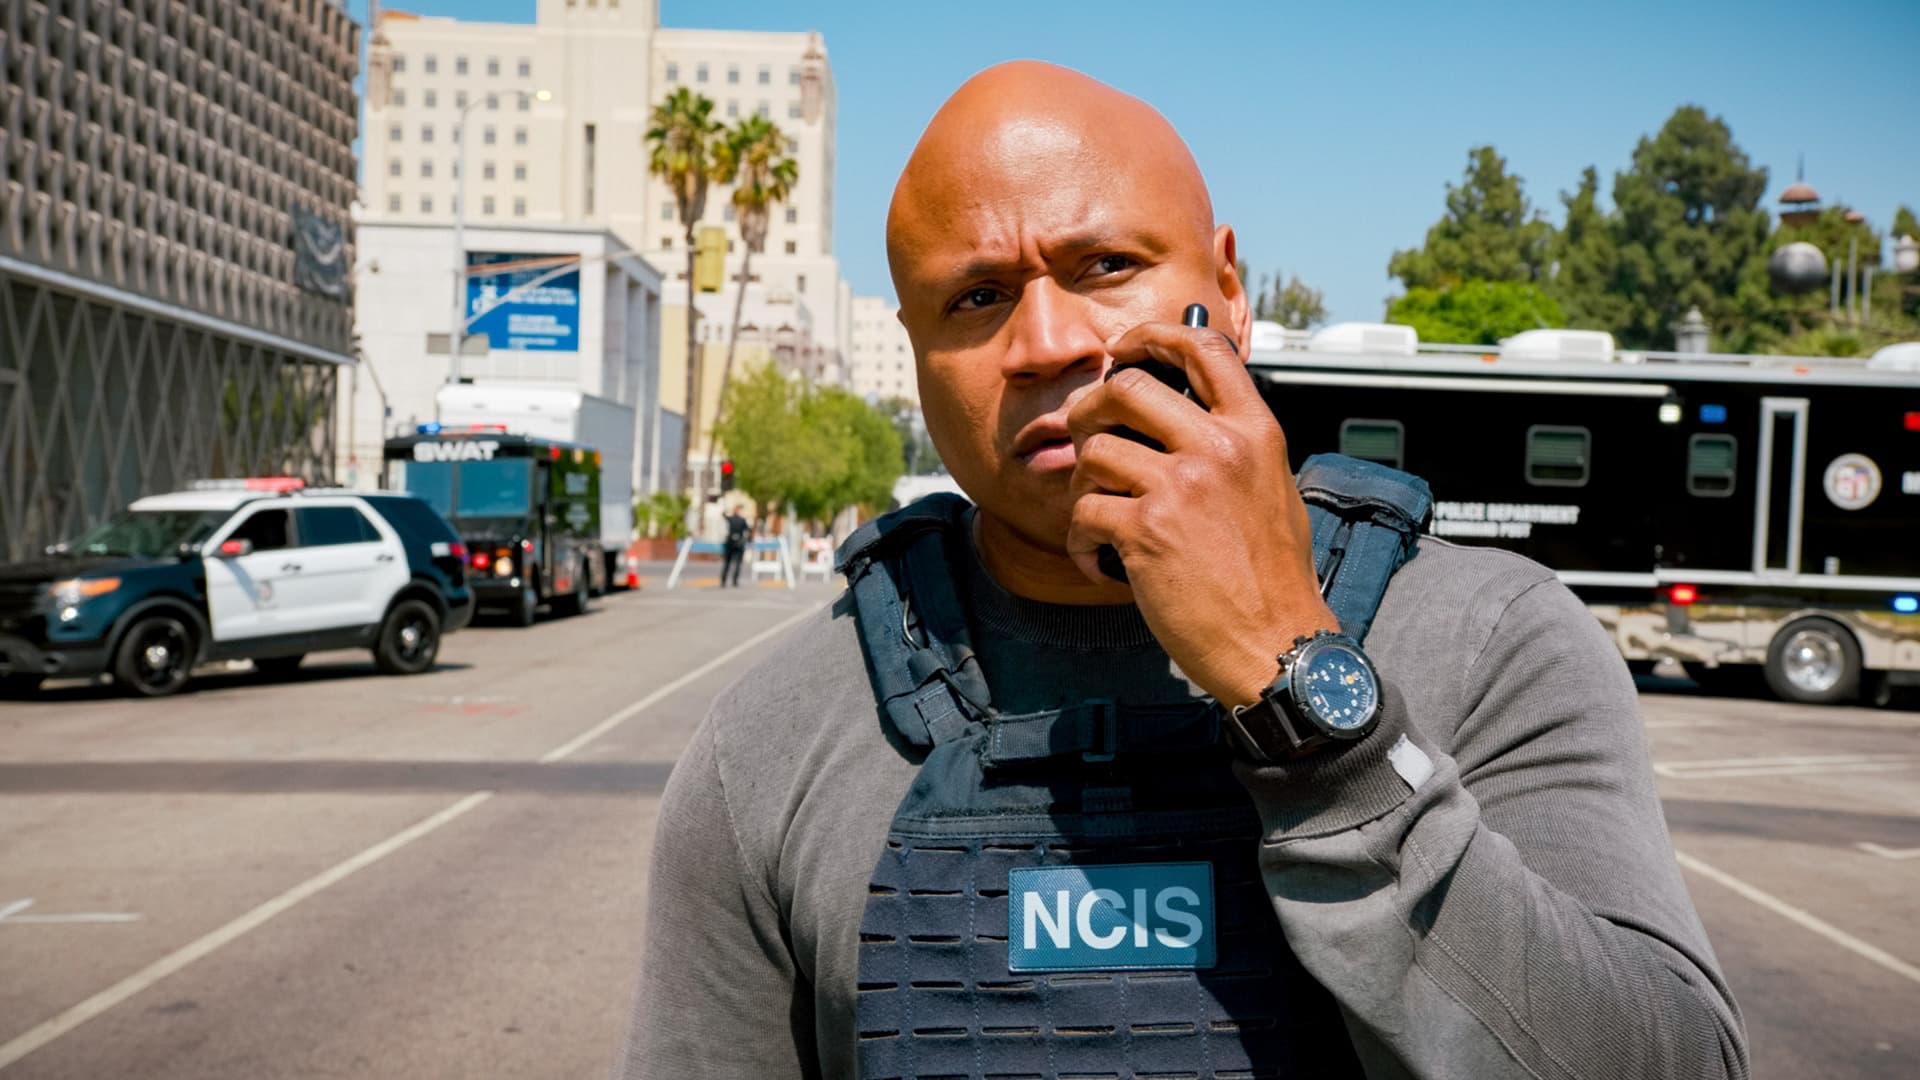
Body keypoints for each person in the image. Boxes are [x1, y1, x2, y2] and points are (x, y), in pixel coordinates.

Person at [618, 62, 1746, 1080]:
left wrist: (1301, 692)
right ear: (917, 353)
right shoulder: (773, 738)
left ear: (1230, 292)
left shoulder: (1492, 641)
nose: (1047, 343)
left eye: (1106, 266)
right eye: (977, 298)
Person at [719, 508, 750, 588]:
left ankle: (723, 581)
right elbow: (747, 531)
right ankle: (735, 581)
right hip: (739, 543)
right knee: (738, 564)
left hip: (730, 543)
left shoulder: (730, 519)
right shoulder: (742, 520)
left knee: (727, 563)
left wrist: (726, 511)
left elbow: (723, 515)